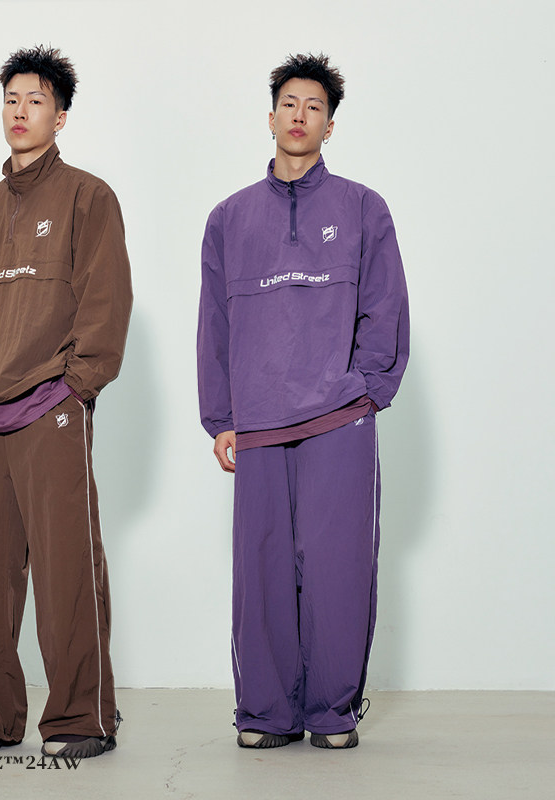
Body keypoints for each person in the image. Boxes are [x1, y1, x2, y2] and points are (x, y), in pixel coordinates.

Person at [197, 53, 409, 750]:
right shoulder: (229, 218)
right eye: (289, 103)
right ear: (270, 117)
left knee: (336, 566)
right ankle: (266, 713)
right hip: (258, 421)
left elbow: (385, 306)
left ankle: (331, 712)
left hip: (338, 417)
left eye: (314, 107)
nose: (299, 115)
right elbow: (214, 324)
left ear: (330, 125)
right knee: (260, 572)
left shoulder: (363, 208)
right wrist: (221, 417)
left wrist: (367, 391)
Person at [0, 45, 132, 759]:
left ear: (61, 116)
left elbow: (107, 301)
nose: (21, 111)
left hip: (50, 404)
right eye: (12, 99)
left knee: (65, 570)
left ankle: (81, 719)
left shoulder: (88, 197)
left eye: (37, 101)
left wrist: (77, 385)